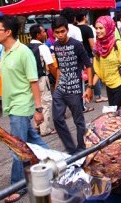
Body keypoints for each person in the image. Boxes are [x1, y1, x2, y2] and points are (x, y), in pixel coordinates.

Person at [0, 15, 48, 203]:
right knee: (34, 142)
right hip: (12, 105)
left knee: (16, 147)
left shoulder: (23, 52)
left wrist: (38, 109)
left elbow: (33, 82)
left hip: (22, 105)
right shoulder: (4, 51)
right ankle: (60, 163)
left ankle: (18, 185)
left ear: (8, 32)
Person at [51, 16, 93, 154]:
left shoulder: (76, 45)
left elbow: (88, 65)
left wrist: (90, 87)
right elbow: (59, 67)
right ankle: (71, 149)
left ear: (67, 30)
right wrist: (57, 84)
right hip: (60, 88)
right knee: (57, 119)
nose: (60, 35)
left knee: (79, 121)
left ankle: (81, 149)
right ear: (53, 32)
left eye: (62, 31)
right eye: (57, 32)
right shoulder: (55, 46)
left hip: (74, 88)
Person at [93, 16, 121, 108]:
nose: (98, 31)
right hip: (109, 86)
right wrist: (90, 88)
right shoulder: (98, 46)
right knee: (114, 116)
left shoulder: (117, 44)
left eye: (101, 28)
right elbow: (98, 71)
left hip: (120, 85)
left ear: (109, 28)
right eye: (96, 28)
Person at [28, 24, 57, 137]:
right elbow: (51, 65)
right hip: (41, 79)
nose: (45, 33)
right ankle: (45, 129)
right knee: (45, 102)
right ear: (38, 35)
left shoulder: (26, 47)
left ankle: (37, 126)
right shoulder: (42, 47)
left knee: (36, 102)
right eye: (43, 32)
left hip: (30, 80)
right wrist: (57, 79)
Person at [76, 9, 108, 103]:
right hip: (89, 55)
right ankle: (98, 95)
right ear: (85, 17)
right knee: (94, 73)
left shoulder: (75, 28)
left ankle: (84, 94)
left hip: (79, 57)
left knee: (82, 76)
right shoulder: (87, 29)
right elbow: (92, 45)